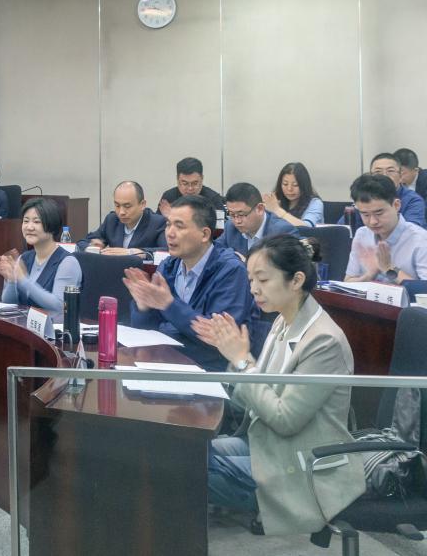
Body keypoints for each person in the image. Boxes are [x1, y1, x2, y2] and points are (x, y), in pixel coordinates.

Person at [193, 235, 365, 535]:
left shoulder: (324, 340)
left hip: (302, 463)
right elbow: (257, 397)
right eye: (250, 280)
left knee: (186, 468)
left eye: (262, 279)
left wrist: (242, 361)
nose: (253, 289)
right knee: (184, 450)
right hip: (268, 443)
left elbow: (285, 420)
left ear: (296, 280)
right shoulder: (284, 320)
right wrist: (231, 366)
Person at [124, 195, 258, 371]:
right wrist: (144, 307)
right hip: (166, 364)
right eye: (168, 225)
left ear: (204, 234)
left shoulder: (231, 271)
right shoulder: (169, 266)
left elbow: (217, 341)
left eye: (179, 226)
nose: (170, 233)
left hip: (210, 372)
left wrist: (169, 305)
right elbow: (145, 331)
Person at [0, 198, 82, 318]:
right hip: (26, 326)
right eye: (26, 221)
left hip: (55, 328)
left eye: (36, 222)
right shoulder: (24, 258)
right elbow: (9, 303)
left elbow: (60, 305)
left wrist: (24, 281)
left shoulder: (68, 263)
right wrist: (11, 281)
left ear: (51, 224)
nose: (29, 227)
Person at [344, 174, 427, 283]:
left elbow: (424, 290)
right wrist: (370, 274)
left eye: (379, 213)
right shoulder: (362, 234)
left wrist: (389, 268)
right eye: (365, 214)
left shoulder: (421, 239)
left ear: (396, 205)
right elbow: (348, 280)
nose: (373, 221)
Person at [340, 153, 426, 229]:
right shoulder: (364, 196)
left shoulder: (413, 200)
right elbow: (344, 229)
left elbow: (410, 232)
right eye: (378, 171)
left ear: (400, 176)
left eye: (390, 171)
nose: (384, 176)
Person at [80, 181, 166, 255]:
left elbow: (166, 251)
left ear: (142, 204)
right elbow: (83, 242)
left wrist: (131, 252)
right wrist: (92, 247)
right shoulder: (112, 220)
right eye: (117, 205)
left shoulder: (157, 223)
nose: (121, 212)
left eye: (127, 206)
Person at [217, 182, 298, 257]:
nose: (237, 221)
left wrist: (246, 264)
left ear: (260, 209)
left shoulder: (282, 231)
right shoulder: (230, 227)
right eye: (232, 214)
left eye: (241, 214)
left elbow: (293, 265)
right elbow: (216, 253)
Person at [262, 162, 324, 227]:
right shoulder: (275, 199)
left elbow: (306, 227)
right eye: (285, 184)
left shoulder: (315, 203)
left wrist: (277, 210)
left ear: (304, 185)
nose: (289, 189)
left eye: (295, 185)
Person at [157, 157, 224, 215]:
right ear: (177, 179)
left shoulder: (213, 199)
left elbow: (220, 225)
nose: (190, 188)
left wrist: (173, 216)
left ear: (202, 178)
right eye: (185, 183)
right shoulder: (169, 198)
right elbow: (158, 224)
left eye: (194, 183)